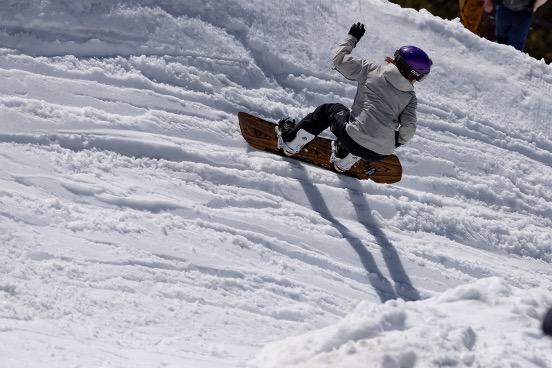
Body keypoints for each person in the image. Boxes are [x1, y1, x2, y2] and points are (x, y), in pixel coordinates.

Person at [275, 23, 432, 173]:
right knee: (362, 125)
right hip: (380, 153)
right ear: (412, 74)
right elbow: (409, 129)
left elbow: (339, 60)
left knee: (329, 111)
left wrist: (352, 37)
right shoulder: (411, 98)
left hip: (353, 137)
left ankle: (291, 143)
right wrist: (394, 141)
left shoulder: (371, 70)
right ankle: (343, 159)